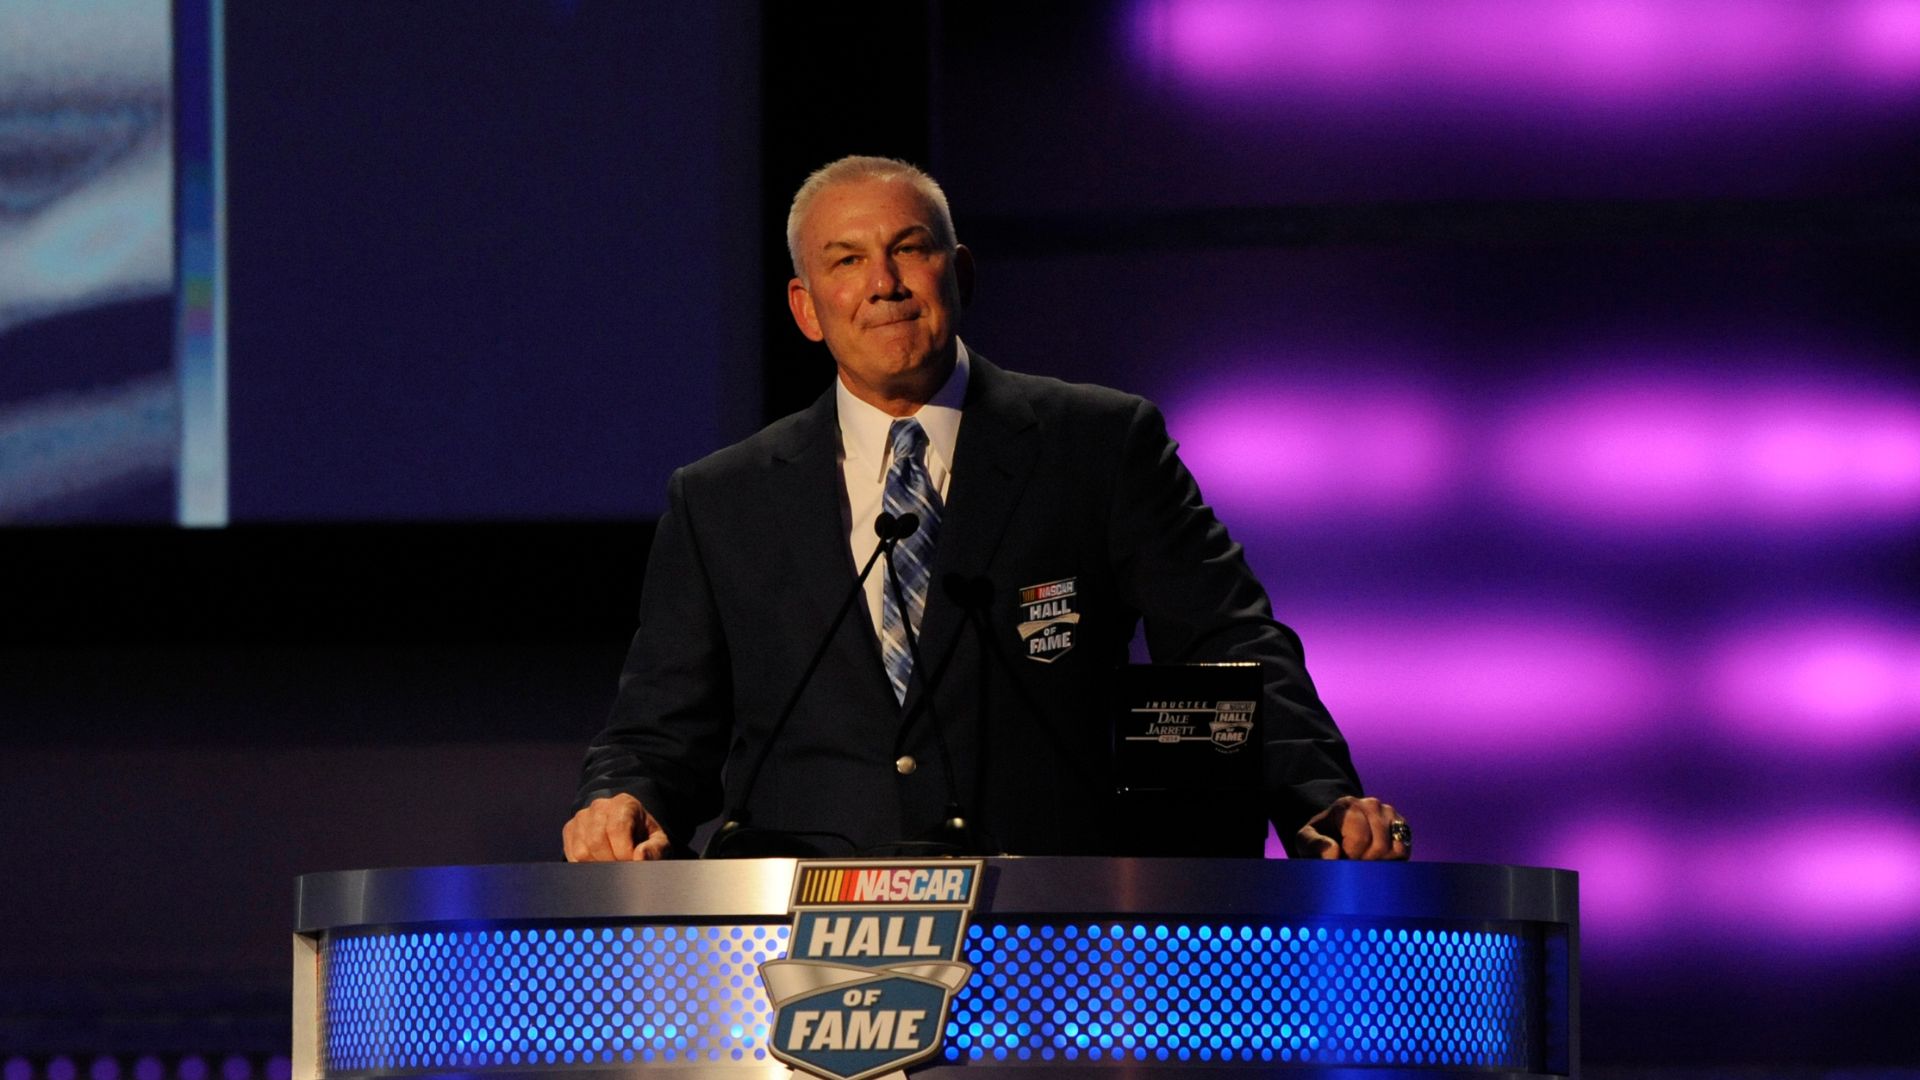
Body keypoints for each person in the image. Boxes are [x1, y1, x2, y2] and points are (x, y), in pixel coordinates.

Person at [564, 156, 1408, 863]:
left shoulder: (1099, 443)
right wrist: (621, 799)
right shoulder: (722, 499)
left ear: (959, 271)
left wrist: (1318, 793)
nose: (884, 284)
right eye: (846, 261)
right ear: (805, 308)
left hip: (1051, 925)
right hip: (799, 943)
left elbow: (1228, 641)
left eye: (909, 249)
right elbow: (660, 730)